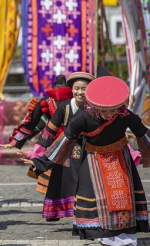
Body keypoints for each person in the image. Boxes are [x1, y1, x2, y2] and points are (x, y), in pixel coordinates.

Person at [22, 76, 150, 246]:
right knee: (99, 200)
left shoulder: (125, 115)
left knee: (123, 196)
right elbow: (63, 141)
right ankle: (105, 235)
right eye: (105, 110)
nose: (109, 114)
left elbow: (143, 133)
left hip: (121, 160)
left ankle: (126, 235)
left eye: (113, 110)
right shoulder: (82, 118)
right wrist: (40, 163)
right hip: (93, 162)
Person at [18, 72, 95, 221]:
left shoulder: (94, 107)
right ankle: (71, 214)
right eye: (77, 88)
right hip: (65, 147)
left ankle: (86, 215)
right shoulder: (64, 107)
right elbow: (49, 132)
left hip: (89, 148)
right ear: (71, 89)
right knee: (65, 182)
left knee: (87, 182)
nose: (80, 92)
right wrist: (36, 153)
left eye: (84, 89)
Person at [1, 75, 72, 192]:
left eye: (63, 100)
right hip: (50, 140)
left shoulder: (75, 103)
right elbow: (31, 123)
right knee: (52, 181)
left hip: (70, 139)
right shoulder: (45, 103)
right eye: (57, 99)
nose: (60, 102)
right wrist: (14, 142)